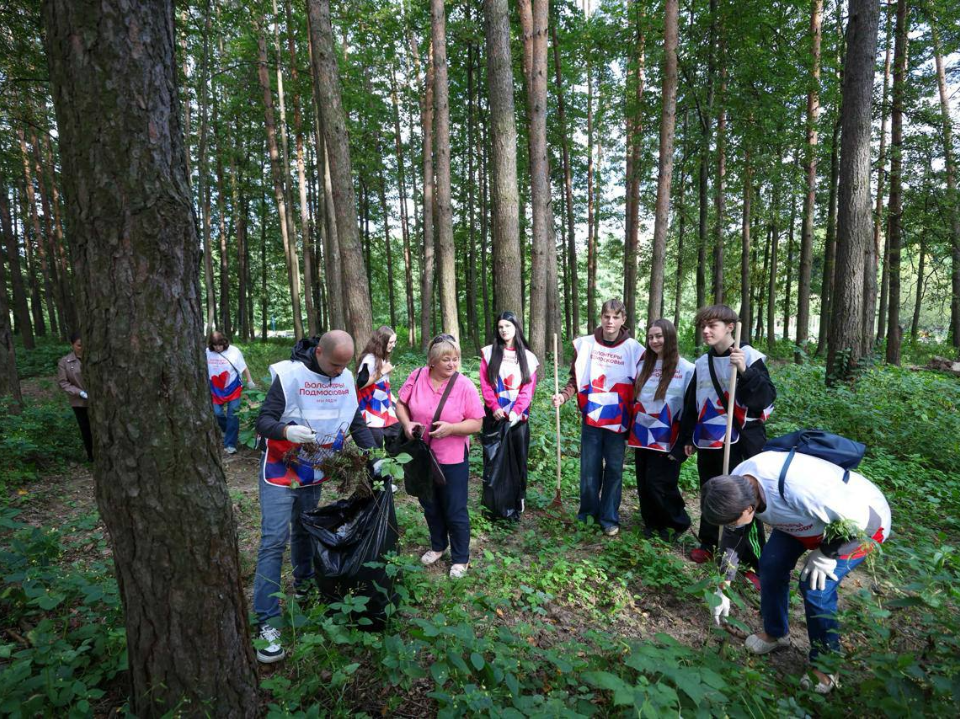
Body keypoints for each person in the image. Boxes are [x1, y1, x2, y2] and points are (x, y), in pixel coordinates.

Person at [701, 451, 891, 694]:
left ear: (749, 509)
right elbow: (733, 536)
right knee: (771, 564)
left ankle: (826, 664)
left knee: (816, 586)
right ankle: (776, 633)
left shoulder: (802, 491)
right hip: (804, 521)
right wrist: (723, 586)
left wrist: (827, 553)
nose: (730, 525)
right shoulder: (737, 484)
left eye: (731, 520)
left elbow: (868, 522)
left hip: (858, 527)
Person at [252, 330, 376, 663]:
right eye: (335, 364)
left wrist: (375, 455)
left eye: (344, 365)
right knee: (274, 540)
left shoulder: (345, 377)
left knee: (305, 530)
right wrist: (285, 430)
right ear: (319, 352)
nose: (339, 371)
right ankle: (267, 620)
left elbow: (355, 420)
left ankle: (305, 586)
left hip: (314, 469)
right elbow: (263, 421)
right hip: (280, 470)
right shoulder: (290, 375)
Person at [671, 304, 776, 581]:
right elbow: (693, 403)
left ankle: (752, 560)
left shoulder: (750, 356)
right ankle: (710, 543)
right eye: (703, 326)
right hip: (710, 439)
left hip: (744, 441)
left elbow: (764, 399)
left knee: (744, 499)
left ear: (730, 327)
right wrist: (688, 437)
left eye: (712, 326)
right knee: (712, 491)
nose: (706, 331)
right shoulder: (702, 363)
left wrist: (744, 371)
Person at [552, 299, 644, 536]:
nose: (610, 321)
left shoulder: (634, 349)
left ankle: (609, 517)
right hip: (592, 417)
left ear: (623, 320)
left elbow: (642, 385)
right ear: (601, 317)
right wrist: (564, 396)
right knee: (589, 468)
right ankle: (587, 514)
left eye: (615, 317)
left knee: (613, 469)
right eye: (606, 316)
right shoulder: (586, 345)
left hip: (619, 421)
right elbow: (575, 379)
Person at [396, 334, 483, 578]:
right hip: (421, 456)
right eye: (446, 359)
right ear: (432, 361)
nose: (452, 364)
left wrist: (452, 429)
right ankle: (438, 545)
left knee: (454, 509)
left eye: (455, 359)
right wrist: (406, 424)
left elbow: (477, 423)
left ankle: (460, 558)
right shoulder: (417, 376)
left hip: (452, 458)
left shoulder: (464, 385)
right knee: (429, 504)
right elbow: (401, 404)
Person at [627, 319, 694, 539]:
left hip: (669, 436)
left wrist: (686, 441)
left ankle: (678, 523)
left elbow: (691, 408)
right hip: (642, 434)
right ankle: (652, 523)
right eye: (650, 337)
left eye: (659, 336)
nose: (654, 341)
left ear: (670, 337)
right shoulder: (643, 367)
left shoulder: (686, 369)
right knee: (644, 482)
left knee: (660, 483)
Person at [479, 311, 539, 519]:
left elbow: (528, 389)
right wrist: (494, 407)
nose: (504, 330)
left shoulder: (528, 357)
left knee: (519, 458)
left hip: (518, 419)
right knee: (493, 459)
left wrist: (515, 412)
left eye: (508, 326)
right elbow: (486, 384)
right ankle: (493, 500)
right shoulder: (489, 353)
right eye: (500, 326)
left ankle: (518, 497)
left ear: (516, 328)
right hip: (495, 417)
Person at [206, 331, 256, 454]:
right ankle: (226, 429)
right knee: (216, 413)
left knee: (233, 415)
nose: (218, 348)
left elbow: (243, 366)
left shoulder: (234, 351)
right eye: (215, 345)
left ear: (224, 342)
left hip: (233, 387)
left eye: (220, 345)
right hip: (215, 388)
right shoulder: (207, 352)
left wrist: (249, 380)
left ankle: (230, 444)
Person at [356, 325, 401, 448]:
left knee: (397, 436)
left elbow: (383, 385)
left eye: (394, 342)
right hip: (371, 410)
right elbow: (361, 384)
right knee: (375, 449)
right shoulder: (369, 359)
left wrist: (395, 402)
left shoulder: (382, 357)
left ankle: (393, 459)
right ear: (382, 341)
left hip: (386, 409)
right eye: (391, 342)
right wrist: (382, 372)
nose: (393, 345)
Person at [57, 332, 93, 462]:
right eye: (79, 345)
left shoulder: (95, 357)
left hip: (99, 400)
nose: (82, 348)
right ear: (72, 345)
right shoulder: (64, 362)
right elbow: (63, 383)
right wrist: (80, 392)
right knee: (86, 429)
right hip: (79, 402)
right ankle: (91, 456)